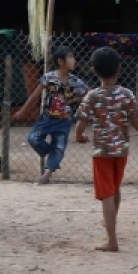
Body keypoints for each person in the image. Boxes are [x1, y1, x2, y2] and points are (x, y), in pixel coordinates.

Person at [74, 46, 138, 252]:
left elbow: (81, 123)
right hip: (121, 150)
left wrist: (79, 137)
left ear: (94, 71)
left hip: (102, 152)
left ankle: (111, 240)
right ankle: (112, 222)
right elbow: (136, 122)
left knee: (106, 194)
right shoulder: (127, 94)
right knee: (115, 188)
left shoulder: (92, 96)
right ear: (119, 69)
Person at [15, 46, 88, 185]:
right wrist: (22, 111)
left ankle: (47, 175)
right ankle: (53, 156)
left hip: (64, 120)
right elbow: (34, 96)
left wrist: (72, 100)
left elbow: (88, 93)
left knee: (59, 146)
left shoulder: (75, 80)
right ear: (61, 61)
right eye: (71, 57)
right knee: (33, 139)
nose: (74, 60)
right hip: (47, 118)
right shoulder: (49, 77)